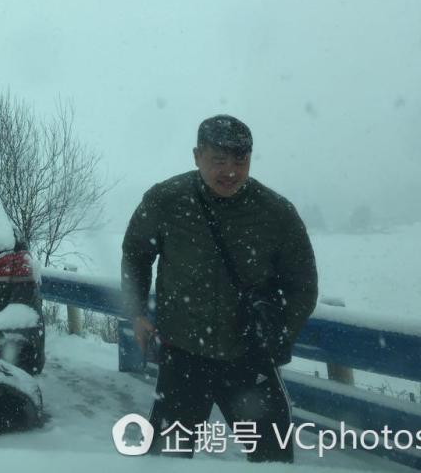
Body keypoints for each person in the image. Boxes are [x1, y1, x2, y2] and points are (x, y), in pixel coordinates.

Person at [121, 115, 318, 462]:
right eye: (218, 160)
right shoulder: (166, 201)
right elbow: (136, 255)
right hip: (183, 355)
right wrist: (137, 313)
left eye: (239, 161)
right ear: (197, 156)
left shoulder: (275, 213)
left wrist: (275, 335)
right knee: (167, 457)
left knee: (273, 459)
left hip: (249, 358)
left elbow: (302, 285)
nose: (230, 171)